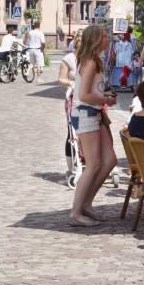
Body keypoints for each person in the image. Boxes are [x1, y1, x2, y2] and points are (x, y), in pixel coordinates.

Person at [68, 24, 117, 227]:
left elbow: (89, 91)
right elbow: (84, 95)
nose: (107, 39)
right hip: (86, 113)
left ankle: (86, 204)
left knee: (110, 161)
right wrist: (105, 100)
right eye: (104, 36)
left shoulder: (94, 61)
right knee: (94, 164)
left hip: (94, 112)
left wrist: (103, 98)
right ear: (96, 40)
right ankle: (76, 212)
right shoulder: (90, 62)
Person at [58, 31, 82, 181]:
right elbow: (61, 79)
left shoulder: (90, 59)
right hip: (73, 98)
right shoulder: (69, 59)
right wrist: (72, 83)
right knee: (72, 133)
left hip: (88, 99)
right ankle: (70, 168)